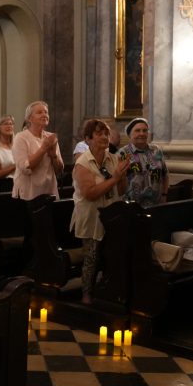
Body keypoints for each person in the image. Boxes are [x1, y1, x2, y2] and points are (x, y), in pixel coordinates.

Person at [70, 119, 129, 304]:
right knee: (91, 257)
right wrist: (115, 178)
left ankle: (107, 289)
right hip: (91, 216)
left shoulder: (114, 158)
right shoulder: (83, 163)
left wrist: (122, 177)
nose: (104, 137)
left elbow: (121, 191)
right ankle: (86, 294)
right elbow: (90, 194)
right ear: (88, 139)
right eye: (99, 134)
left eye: (106, 133)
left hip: (111, 216)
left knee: (111, 254)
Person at [12, 101, 64, 200]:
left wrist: (54, 155)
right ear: (29, 118)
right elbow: (25, 167)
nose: (44, 115)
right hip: (28, 193)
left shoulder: (50, 137)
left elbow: (59, 170)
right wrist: (43, 148)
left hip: (49, 191)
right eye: (39, 112)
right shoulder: (21, 137)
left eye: (46, 112)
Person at [117, 117, 169, 207]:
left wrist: (164, 194)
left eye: (145, 130)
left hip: (156, 204)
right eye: (137, 130)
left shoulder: (156, 150)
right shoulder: (122, 153)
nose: (142, 133)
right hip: (132, 206)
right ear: (129, 134)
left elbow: (165, 174)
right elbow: (117, 181)